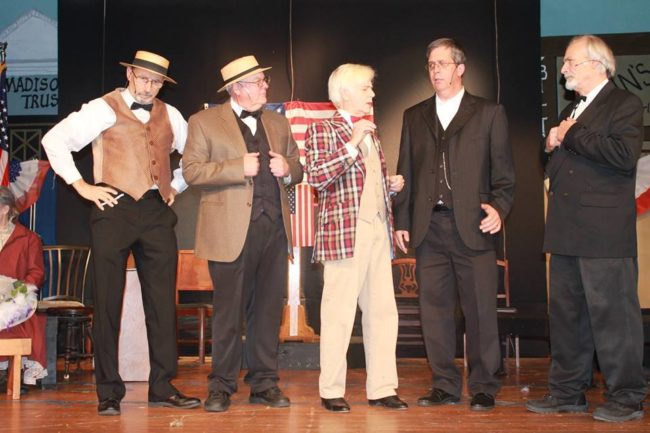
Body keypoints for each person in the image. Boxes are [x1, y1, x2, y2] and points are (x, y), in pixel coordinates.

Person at [42, 50, 200, 415]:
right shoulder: (102, 107)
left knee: (162, 304)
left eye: (156, 81)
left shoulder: (170, 115)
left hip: (157, 211)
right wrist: (81, 185)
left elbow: (192, 157)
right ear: (129, 73)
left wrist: (174, 184)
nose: (148, 86)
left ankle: (162, 386)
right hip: (113, 209)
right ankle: (108, 391)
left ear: (163, 84)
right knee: (108, 302)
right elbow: (55, 140)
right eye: (143, 77)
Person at [526, 35, 647, 423]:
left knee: (615, 321)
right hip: (565, 231)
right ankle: (567, 393)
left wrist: (569, 133)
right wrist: (550, 146)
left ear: (597, 64)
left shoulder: (624, 103)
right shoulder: (573, 108)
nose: (563, 70)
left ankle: (626, 398)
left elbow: (624, 156)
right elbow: (564, 167)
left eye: (570, 62)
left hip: (604, 233)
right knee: (567, 318)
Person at [393, 38, 515, 411]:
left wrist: (499, 207)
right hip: (429, 229)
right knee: (435, 311)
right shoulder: (414, 116)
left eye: (442, 63)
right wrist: (401, 219)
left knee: (480, 310)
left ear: (460, 68)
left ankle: (483, 385)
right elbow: (405, 173)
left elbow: (505, 176)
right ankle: (444, 384)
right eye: (431, 64)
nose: (435, 70)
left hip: (474, 227)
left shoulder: (489, 113)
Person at [183, 55, 303, 413]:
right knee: (228, 314)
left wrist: (289, 170)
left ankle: (264, 382)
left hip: (274, 229)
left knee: (267, 312)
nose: (266, 85)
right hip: (228, 232)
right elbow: (191, 171)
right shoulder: (204, 121)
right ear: (237, 88)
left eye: (264, 81)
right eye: (259, 81)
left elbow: (297, 162)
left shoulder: (278, 123)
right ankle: (221, 385)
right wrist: (238, 167)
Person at [305, 63, 407, 413]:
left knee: (382, 312)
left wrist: (388, 186)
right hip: (344, 236)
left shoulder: (372, 132)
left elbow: (359, 184)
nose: (372, 94)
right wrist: (352, 142)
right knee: (338, 315)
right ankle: (331, 389)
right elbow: (317, 177)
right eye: (366, 88)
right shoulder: (324, 130)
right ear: (345, 92)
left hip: (378, 231)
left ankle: (382, 387)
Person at [0, 187, 47, 390]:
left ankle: (11, 371)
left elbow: (36, 273)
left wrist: (19, 291)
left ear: (4, 209)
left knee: (17, 315)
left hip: (15, 295)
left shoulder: (28, 238)